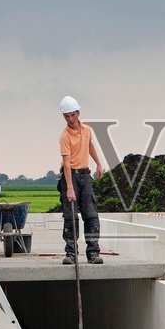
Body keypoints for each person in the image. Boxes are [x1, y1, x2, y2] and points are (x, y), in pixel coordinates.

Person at [58, 96, 103, 264]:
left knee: (91, 214)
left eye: (72, 115)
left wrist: (98, 163)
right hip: (71, 177)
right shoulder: (64, 136)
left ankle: (93, 252)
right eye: (66, 116)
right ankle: (71, 253)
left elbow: (90, 145)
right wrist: (69, 187)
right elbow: (67, 164)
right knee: (70, 216)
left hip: (86, 175)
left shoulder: (87, 130)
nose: (70, 119)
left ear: (78, 113)